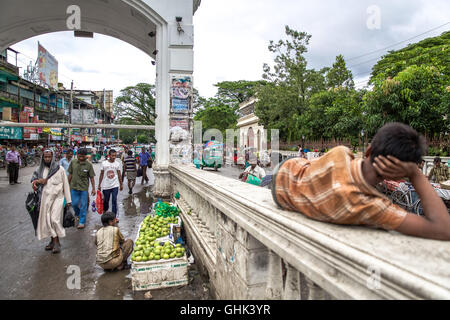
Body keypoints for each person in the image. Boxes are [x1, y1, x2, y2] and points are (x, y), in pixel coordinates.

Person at [272, 122, 450, 240]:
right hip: (281, 194)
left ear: (368, 151)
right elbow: (444, 228)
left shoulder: (340, 153)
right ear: (398, 176)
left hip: (287, 171)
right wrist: (415, 174)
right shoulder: (370, 206)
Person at [31, 149, 73, 254]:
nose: (47, 159)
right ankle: (52, 241)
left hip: (58, 198)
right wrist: (38, 182)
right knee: (47, 220)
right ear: (43, 158)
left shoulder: (60, 169)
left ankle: (57, 242)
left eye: (49, 157)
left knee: (54, 219)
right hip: (44, 199)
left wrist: (68, 201)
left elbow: (66, 185)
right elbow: (33, 183)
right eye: (45, 157)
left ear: (53, 157)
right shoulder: (39, 170)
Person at [68, 148, 96, 229]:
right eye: (79, 156)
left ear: (85, 156)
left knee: (83, 206)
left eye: (82, 156)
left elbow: (92, 177)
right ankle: (78, 214)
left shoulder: (89, 165)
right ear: (77, 155)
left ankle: (81, 222)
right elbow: (70, 174)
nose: (81, 158)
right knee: (74, 204)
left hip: (84, 188)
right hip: (74, 187)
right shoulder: (73, 162)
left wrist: (93, 188)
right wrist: (66, 185)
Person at [98, 149, 123, 217]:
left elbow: (119, 174)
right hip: (106, 185)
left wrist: (121, 184)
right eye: (112, 155)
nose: (114, 157)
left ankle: (114, 216)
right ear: (109, 155)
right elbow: (101, 174)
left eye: (115, 155)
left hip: (115, 184)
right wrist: (99, 185)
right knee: (106, 200)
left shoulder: (117, 164)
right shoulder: (104, 163)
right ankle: (105, 213)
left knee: (114, 200)